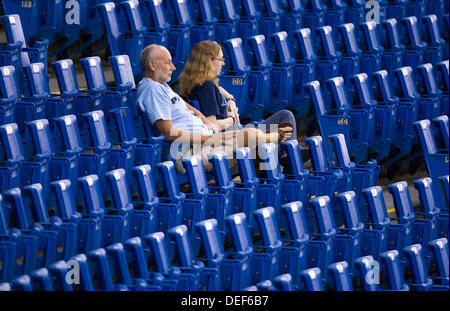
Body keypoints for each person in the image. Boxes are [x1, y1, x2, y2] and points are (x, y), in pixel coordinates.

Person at [136, 44, 293, 172]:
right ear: (152, 64)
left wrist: (204, 119)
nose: (173, 67)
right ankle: (275, 144)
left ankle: (276, 150)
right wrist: (211, 137)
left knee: (275, 123)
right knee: (251, 136)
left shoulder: (162, 86)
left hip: (207, 139)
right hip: (188, 152)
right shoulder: (152, 90)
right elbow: (168, 132)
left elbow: (184, 104)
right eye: (168, 62)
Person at [177, 40, 297, 140]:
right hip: (234, 138)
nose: (223, 64)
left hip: (237, 134)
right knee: (285, 116)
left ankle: (288, 154)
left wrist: (230, 99)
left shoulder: (198, 83)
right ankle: (288, 155)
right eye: (221, 60)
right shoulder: (206, 87)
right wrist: (232, 119)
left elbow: (218, 88)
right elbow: (212, 124)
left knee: (284, 117)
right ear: (209, 61)